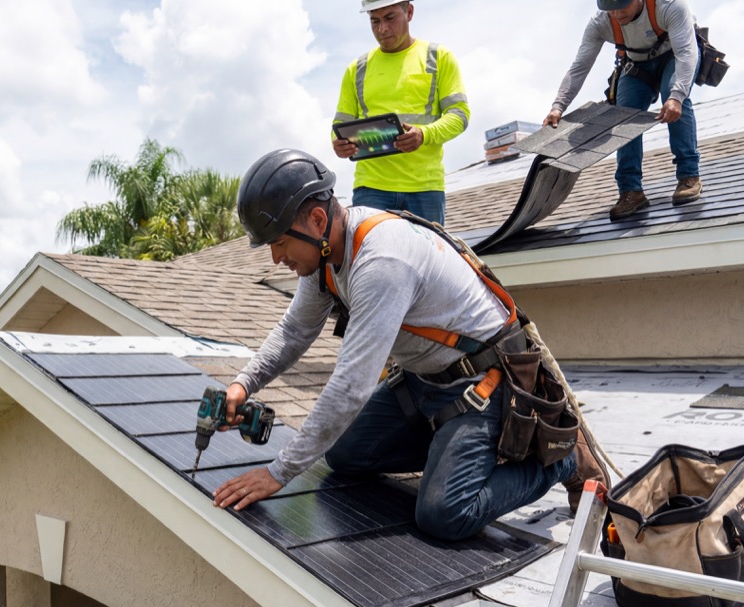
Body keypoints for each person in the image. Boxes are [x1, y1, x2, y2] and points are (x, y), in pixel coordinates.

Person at [213, 149, 605, 539]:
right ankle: (452, 452)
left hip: (484, 385)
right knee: (345, 455)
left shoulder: (381, 261)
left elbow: (351, 386)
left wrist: (277, 473)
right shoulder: (326, 257)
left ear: (316, 220)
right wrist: (243, 384)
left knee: (444, 514)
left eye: (279, 242)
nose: (275, 257)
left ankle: (563, 459)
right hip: (424, 381)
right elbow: (293, 333)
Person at [544, 0, 702, 221]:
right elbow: (580, 67)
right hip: (636, 65)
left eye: (622, 6)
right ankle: (631, 191)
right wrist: (558, 106)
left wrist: (676, 96)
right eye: (610, 9)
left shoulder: (669, 6)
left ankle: (689, 176)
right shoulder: (600, 23)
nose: (617, 14)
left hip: (675, 56)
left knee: (675, 100)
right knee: (622, 116)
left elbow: (686, 52)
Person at [331, 0, 469, 226]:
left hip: (425, 188)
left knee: (427, 260)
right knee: (372, 260)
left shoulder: (438, 58)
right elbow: (340, 124)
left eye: (390, 18)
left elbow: (459, 116)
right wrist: (338, 143)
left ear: (410, 12)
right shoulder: (356, 69)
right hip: (371, 187)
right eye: (374, 21)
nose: (382, 29)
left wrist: (424, 134)